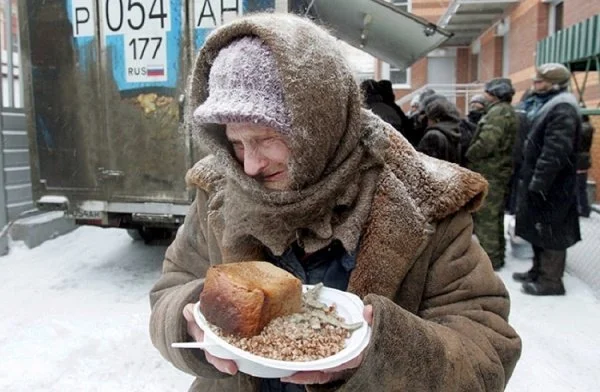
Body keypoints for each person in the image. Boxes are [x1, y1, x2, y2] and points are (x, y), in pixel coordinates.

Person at [149, 13, 521, 391]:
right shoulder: (219, 189)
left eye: (265, 139)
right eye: (237, 142)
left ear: (319, 122)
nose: (250, 164)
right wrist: (195, 320)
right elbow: (172, 286)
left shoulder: (426, 199)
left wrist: (377, 359)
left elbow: (486, 349)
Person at [512, 63, 582, 296]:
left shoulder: (563, 109)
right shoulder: (546, 104)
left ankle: (551, 281)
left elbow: (555, 151)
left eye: (539, 82)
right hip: (540, 181)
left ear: (554, 84)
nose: (534, 85)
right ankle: (538, 270)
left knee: (551, 231)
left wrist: (539, 183)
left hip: (552, 186)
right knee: (537, 228)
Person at [465, 78, 518, 270]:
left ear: (495, 93)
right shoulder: (504, 111)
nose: (485, 95)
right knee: (494, 217)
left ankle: (490, 261)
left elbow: (487, 142)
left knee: (487, 218)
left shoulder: (498, 113)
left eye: (487, 92)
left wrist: (469, 154)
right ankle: (496, 256)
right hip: (498, 171)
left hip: (491, 171)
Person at [416, 94, 463, 164]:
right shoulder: (454, 133)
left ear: (436, 119)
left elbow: (422, 164)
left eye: (428, 118)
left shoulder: (433, 136)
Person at [576, 114, 595, 217]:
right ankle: (584, 208)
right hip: (583, 160)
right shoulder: (589, 128)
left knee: (579, 186)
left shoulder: (583, 129)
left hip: (580, 160)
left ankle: (583, 209)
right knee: (581, 186)